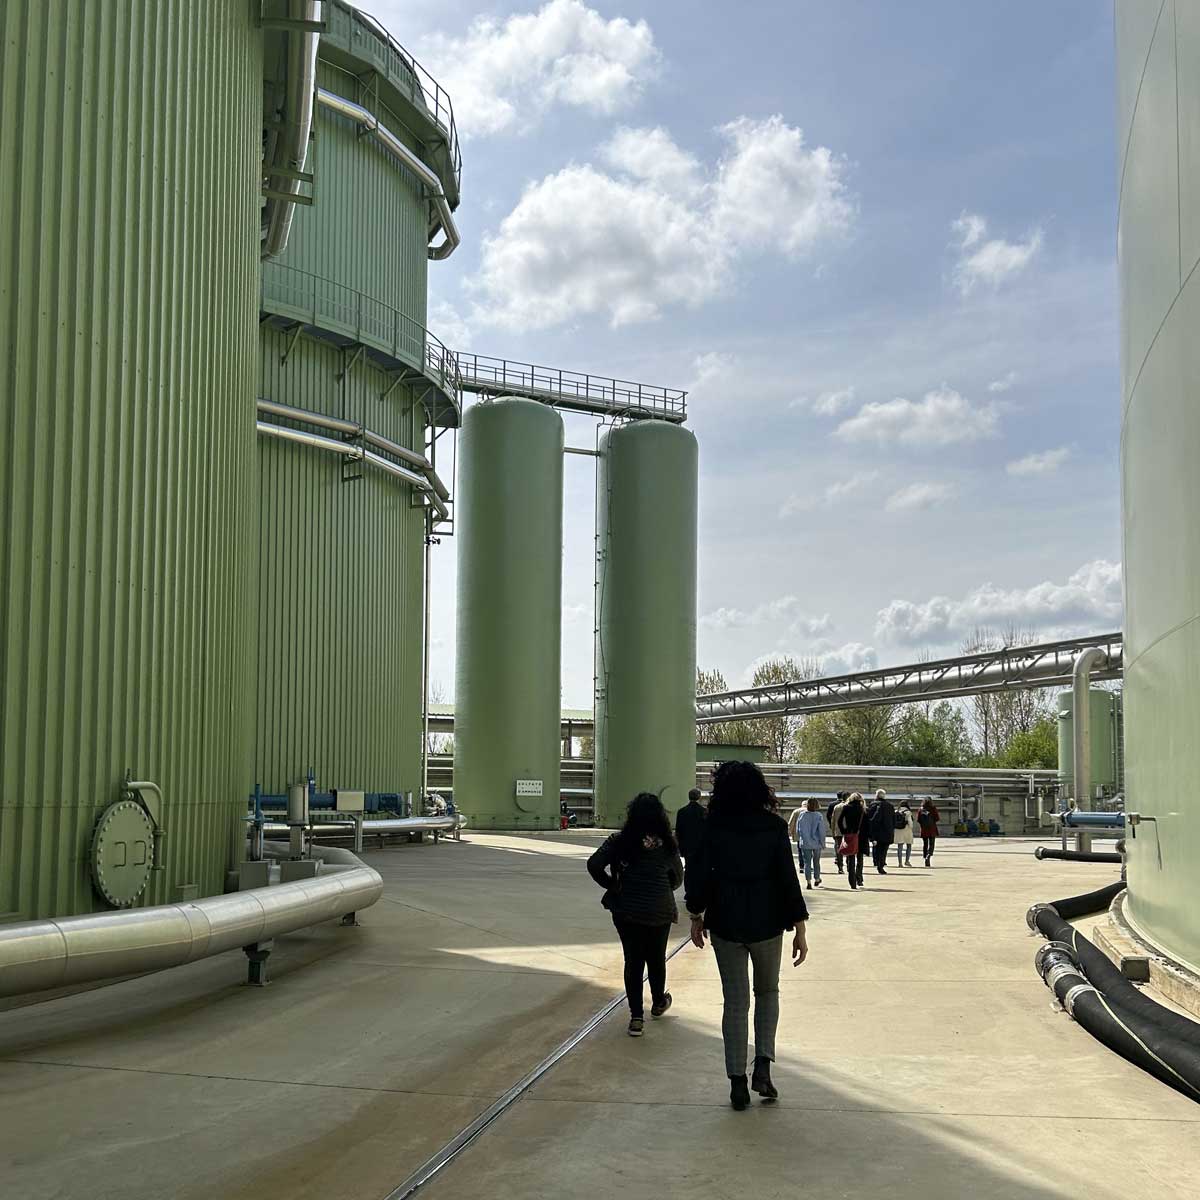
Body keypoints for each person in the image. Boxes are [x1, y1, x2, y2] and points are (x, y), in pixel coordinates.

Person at [685, 761, 809, 1110]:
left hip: (726, 922)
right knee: (767, 992)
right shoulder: (774, 826)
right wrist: (800, 928)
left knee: (735, 1002)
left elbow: (698, 875)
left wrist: (696, 914)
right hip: (767, 922)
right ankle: (763, 1067)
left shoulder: (712, 826)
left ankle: (737, 1082)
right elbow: (788, 879)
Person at [587, 794, 683, 1037]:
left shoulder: (619, 842)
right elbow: (678, 878)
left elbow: (593, 864)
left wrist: (612, 884)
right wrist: (662, 888)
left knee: (633, 961)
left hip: (626, 910)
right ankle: (659, 1002)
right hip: (659, 909)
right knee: (657, 958)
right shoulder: (667, 844)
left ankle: (636, 1017)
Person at [796, 798, 828, 889]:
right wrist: (823, 843)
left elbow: (798, 829)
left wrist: (800, 838)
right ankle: (817, 878)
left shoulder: (802, 815)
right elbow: (821, 831)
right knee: (816, 862)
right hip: (816, 842)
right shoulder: (818, 815)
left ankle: (808, 882)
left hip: (805, 842)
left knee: (807, 863)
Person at [838, 791, 867, 889]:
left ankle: (852, 882)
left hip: (850, 833)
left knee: (851, 858)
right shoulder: (863, 809)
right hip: (861, 835)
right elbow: (867, 824)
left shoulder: (846, 807)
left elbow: (839, 821)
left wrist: (844, 831)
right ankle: (859, 879)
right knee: (860, 858)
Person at [867, 788, 895, 875]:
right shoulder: (890, 806)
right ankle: (881, 864)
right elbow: (893, 820)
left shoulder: (872, 805)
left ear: (876, 796)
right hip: (887, 831)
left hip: (876, 831)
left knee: (876, 847)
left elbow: (869, 818)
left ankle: (876, 861)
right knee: (884, 850)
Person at [675, 787, 707, 861]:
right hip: (700, 845)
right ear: (699, 797)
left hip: (686, 845)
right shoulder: (703, 811)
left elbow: (678, 830)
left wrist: (680, 847)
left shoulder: (681, 811)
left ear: (689, 797)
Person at [828, 791, 849, 874]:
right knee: (849, 848)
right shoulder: (850, 806)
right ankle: (849, 865)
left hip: (838, 830)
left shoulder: (837, 807)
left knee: (839, 849)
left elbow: (833, 820)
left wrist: (833, 831)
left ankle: (840, 867)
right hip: (848, 831)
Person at [917, 799, 941, 867]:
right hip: (932, 829)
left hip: (924, 829)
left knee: (925, 844)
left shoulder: (921, 809)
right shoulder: (933, 808)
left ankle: (925, 856)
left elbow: (918, 819)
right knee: (931, 844)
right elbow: (937, 818)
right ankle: (929, 855)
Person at [894, 800, 915, 867]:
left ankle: (900, 863)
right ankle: (907, 861)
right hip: (907, 830)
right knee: (909, 845)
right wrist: (911, 827)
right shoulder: (908, 812)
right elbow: (910, 822)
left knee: (900, 847)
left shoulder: (896, 811)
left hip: (898, 830)